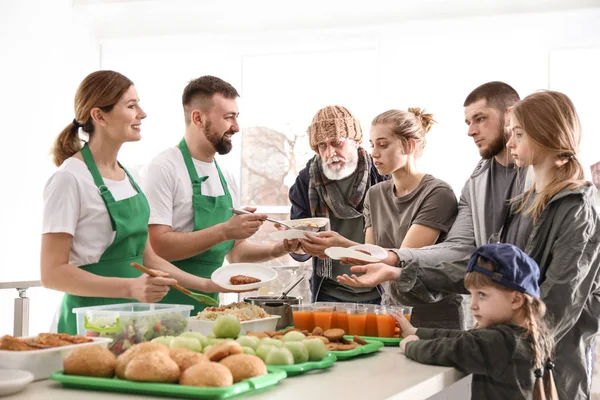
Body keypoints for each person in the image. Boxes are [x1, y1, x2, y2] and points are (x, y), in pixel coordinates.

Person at [41, 70, 224, 334]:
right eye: (131, 105)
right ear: (99, 116)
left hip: (130, 323)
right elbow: (52, 274)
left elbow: (148, 257)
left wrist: (208, 285)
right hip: (88, 325)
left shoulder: (126, 176)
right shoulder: (69, 180)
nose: (142, 113)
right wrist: (130, 287)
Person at [337, 81, 530, 328]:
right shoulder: (476, 182)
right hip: (492, 322)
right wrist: (393, 257)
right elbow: (460, 249)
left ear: (511, 114)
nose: (471, 131)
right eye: (468, 122)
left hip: (535, 321)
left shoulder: (539, 177)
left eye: (480, 118)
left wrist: (392, 258)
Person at [141, 76, 296, 314]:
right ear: (198, 118)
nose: (236, 127)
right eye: (228, 117)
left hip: (210, 304)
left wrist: (279, 248)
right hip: (166, 304)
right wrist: (225, 230)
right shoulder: (164, 167)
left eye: (236, 117)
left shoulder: (226, 177)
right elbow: (157, 246)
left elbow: (235, 253)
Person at [306, 108, 459, 327]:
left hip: (432, 316)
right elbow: (372, 255)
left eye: (383, 145)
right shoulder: (375, 194)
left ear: (409, 145)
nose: (374, 153)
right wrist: (343, 251)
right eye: (372, 144)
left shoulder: (437, 193)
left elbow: (404, 257)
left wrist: (342, 243)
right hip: (391, 311)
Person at [396, 243, 557, 400]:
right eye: (471, 294)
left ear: (516, 299)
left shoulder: (501, 341)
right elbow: (464, 338)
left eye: (482, 295)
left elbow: (450, 349)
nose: (473, 305)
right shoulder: (529, 335)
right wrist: (416, 332)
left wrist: (410, 345)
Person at [286, 105, 388, 304]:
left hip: (380, 288)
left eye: (336, 143)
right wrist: (296, 245)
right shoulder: (306, 180)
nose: (330, 152)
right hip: (328, 290)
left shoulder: (383, 175)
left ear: (356, 141)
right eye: (322, 146)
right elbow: (299, 243)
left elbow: (400, 246)